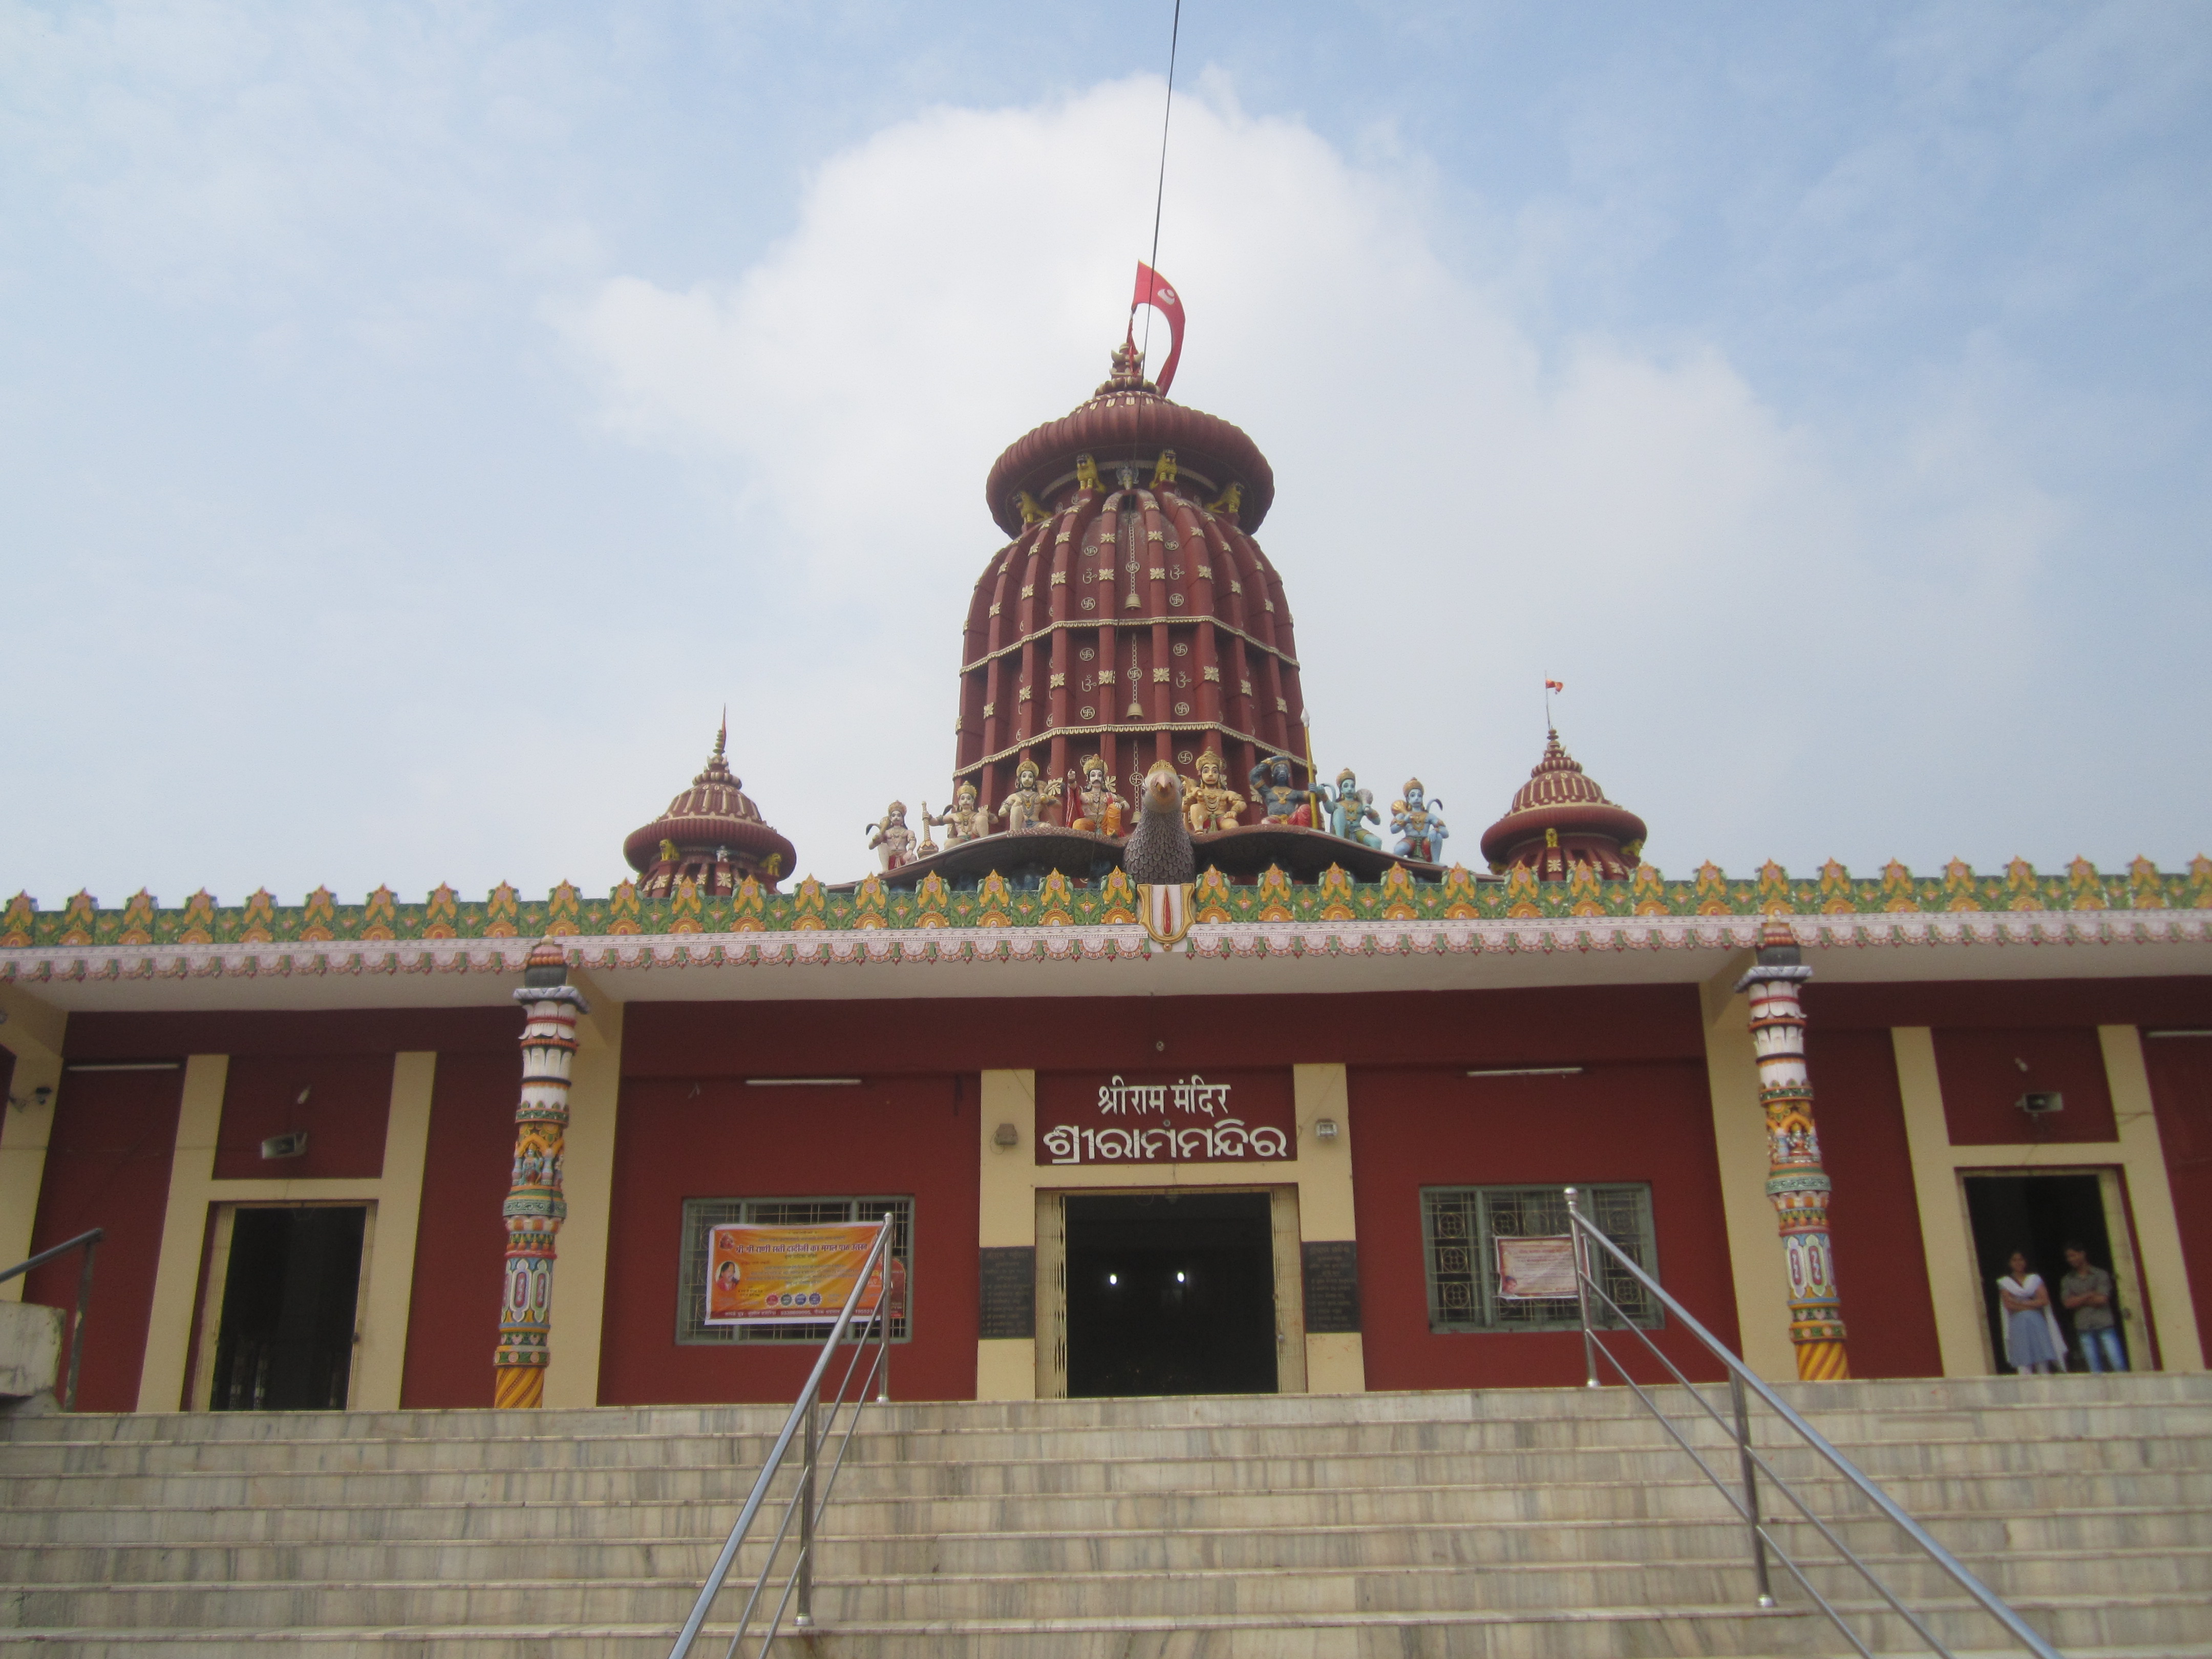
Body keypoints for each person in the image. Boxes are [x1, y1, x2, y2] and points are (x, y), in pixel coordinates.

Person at [2060, 1243, 2128, 1373]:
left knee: (2118, 1364)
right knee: (2095, 1370)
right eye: (2068, 1257)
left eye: (2073, 1255)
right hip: (2084, 1326)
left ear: (2082, 1254)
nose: (2071, 1260)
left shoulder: (2100, 1274)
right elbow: (2067, 1303)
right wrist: (2089, 1294)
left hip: (2104, 1324)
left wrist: (2079, 1299)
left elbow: (2102, 1299)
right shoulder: (2068, 1280)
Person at [1996, 1250, 2067, 1375]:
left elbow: (2044, 1300)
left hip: (2037, 1322)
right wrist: (2032, 1304)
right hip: (2018, 1324)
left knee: (2042, 1360)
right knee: (2024, 1363)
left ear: (2026, 1262)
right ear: (2010, 1263)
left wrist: (2021, 1304)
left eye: (2021, 1260)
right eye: (2015, 1260)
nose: (2018, 1263)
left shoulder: (2034, 1280)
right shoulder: (2006, 1282)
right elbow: (2009, 1305)